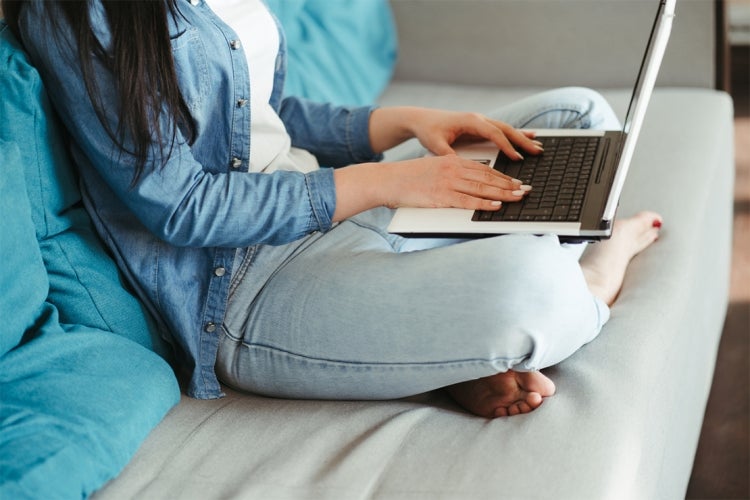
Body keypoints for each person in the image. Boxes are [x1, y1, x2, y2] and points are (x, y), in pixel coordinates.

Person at [5, 0, 661, 418]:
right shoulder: (76, 13)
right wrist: (384, 184)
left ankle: (434, 350)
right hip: (247, 288)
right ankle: (587, 281)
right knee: (532, 293)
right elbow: (182, 207)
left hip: (329, 207)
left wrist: (402, 122)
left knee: (575, 120)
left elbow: (258, 114)